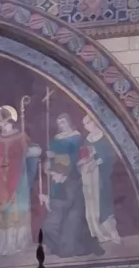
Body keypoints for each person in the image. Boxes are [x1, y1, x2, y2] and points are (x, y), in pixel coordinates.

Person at [42, 110, 101, 258]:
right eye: (59, 123)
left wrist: (63, 171)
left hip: (71, 176)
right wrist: (49, 159)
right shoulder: (56, 138)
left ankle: (70, 246)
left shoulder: (76, 137)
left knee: (72, 214)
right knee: (56, 214)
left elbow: (75, 157)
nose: (61, 125)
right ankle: (56, 245)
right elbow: (51, 158)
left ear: (69, 121)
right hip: (57, 176)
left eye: (63, 122)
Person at [0, 104, 36, 257]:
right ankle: (4, 245)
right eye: (1, 124)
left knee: (17, 211)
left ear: (11, 122)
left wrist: (30, 151)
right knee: (2, 212)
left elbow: (30, 151)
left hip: (18, 178)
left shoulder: (21, 136)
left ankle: (17, 244)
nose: (4, 127)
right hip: (0, 179)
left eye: (6, 123)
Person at [79, 110, 114, 244]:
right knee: (92, 203)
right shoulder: (87, 139)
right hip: (91, 176)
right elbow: (86, 154)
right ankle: (98, 232)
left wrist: (97, 162)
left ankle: (109, 231)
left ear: (95, 122)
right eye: (84, 124)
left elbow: (110, 156)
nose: (86, 126)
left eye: (88, 122)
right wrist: (85, 161)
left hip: (104, 175)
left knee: (103, 203)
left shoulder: (105, 137)